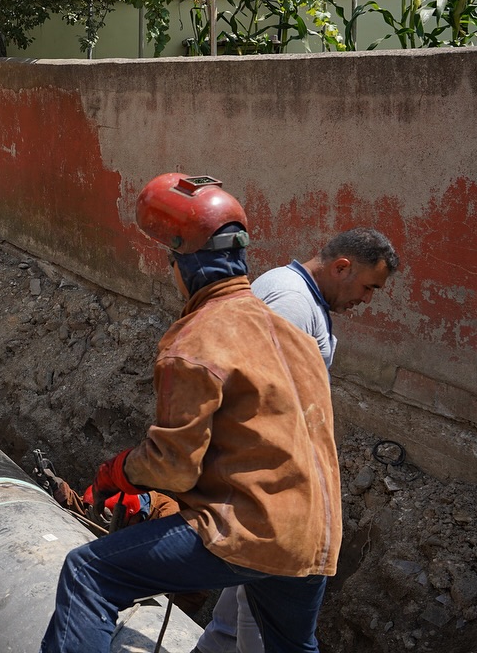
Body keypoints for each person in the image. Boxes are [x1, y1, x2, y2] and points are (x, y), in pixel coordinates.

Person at [40, 173, 341, 653]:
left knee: (89, 572)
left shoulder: (195, 340)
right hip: (314, 537)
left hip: (248, 528)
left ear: (183, 265)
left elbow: (174, 467)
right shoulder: (296, 338)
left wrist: (120, 472)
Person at [195, 227, 399, 653]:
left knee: (238, 611)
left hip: (268, 484)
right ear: (342, 266)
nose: (367, 300)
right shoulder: (291, 303)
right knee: (266, 620)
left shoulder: (295, 293)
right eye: (368, 286)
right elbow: (264, 402)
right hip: (272, 489)